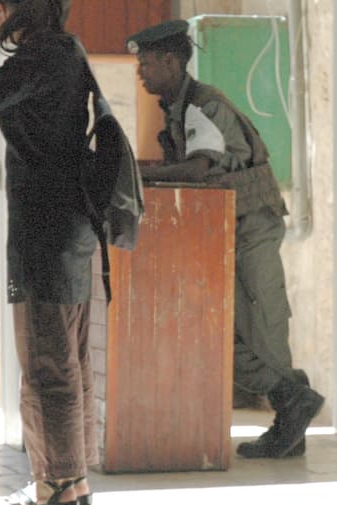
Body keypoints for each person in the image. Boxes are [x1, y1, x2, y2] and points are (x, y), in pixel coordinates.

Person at [127, 19, 324, 460]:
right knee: (242, 327)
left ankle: (291, 405)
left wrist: (139, 173)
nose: (140, 72)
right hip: (231, 226)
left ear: (170, 61)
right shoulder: (180, 106)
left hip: (251, 223)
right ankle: (293, 416)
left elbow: (198, 169)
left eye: (146, 63)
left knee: (260, 325)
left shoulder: (203, 104)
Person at [0, 0, 96, 505]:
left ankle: (55, 484)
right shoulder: (68, 51)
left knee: (45, 363)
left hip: (43, 229)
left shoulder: (37, 59)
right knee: (70, 360)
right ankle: (74, 480)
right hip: (72, 225)